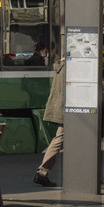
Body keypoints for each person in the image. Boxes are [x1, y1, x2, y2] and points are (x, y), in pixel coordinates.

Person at [34, 55, 65, 187]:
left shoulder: (62, 65)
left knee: (60, 138)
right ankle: (42, 172)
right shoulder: (72, 66)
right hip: (70, 110)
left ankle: (43, 172)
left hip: (62, 107)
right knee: (60, 139)